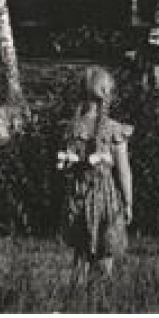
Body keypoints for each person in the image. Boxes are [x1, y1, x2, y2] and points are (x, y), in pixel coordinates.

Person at [60, 65, 134, 280]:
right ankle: (101, 303)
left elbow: (66, 166)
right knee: (106, 252)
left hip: (78, 195)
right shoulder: (114, 129)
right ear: (107, 93)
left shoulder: (73, 128)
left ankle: (76, 302)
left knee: (80, 254)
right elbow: (124, 171)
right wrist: (128, 202)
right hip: (106, 198)